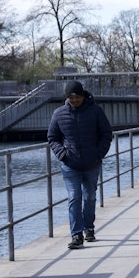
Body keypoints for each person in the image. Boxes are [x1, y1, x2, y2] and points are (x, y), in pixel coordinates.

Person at [47, 80, 113, 250]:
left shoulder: (95, 111)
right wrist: (62, 154)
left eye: (77, 97)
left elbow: (106, 134)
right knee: (74, 197)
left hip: (92, 163)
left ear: (83, 95)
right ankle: (76, 235)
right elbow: (52, 138)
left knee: (89, 197)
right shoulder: (59, 114)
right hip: (70, 164)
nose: (74, 100)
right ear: (66, 97)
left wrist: (99, 154)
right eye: (70, 97)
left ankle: (88, 228)